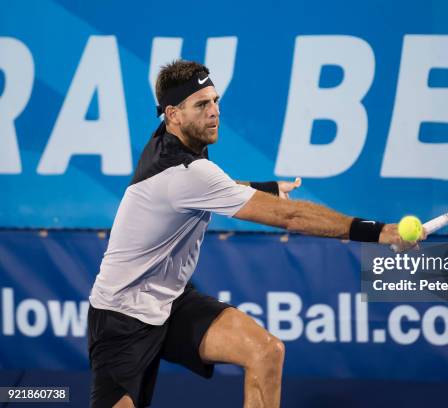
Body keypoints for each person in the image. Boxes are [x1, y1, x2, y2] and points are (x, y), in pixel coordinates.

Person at [87, 59, 420, 408]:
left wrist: (266, 189)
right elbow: (290, 217)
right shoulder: (186, 172)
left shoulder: (174, 146)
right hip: (120, 318)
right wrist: (379, 232)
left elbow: (214, 187)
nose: (214, 112)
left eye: (215, 101)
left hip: (171, 301)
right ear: (173, 114)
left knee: (266, 351)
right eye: (202, 105)